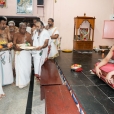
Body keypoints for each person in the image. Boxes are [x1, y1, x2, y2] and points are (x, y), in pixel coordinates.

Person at [13, 22, 32, 88]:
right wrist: (17, 47)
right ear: (19, 28)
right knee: (19, 68)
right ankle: (21, 83)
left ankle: (26, 81)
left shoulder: (29, 35)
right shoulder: (16, 34)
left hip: (26, 54)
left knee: (27, 68)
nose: (24, 30)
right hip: (19, 53)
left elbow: (31, 44)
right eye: (22, 28)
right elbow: (14, 44)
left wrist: (27, 46)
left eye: (25, 28)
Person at [0, 16, 13, 87]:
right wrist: (5, 45)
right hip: (1, 51)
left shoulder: (7, 29)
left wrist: (10, 43)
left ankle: (8, 81)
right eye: (3, 24)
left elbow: (9, 39)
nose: (5, 25)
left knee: (7, 67)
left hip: (6, 51)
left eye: (5, 24)